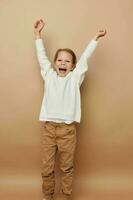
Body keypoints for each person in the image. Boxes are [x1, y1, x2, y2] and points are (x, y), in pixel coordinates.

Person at [34, 19, 107, 200]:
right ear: (54, 63)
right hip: (49, 129)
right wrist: (37, 35)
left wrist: (95, 38)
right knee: (46, 167)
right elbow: (41, 57)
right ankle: (47, 196)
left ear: (73, 66)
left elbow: (84, 58)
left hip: (67, 131)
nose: (63, 63)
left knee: (66, 167)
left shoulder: (75, 79)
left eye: (67, 61)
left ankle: (65, 196)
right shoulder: (49, 75)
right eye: (59, 60)